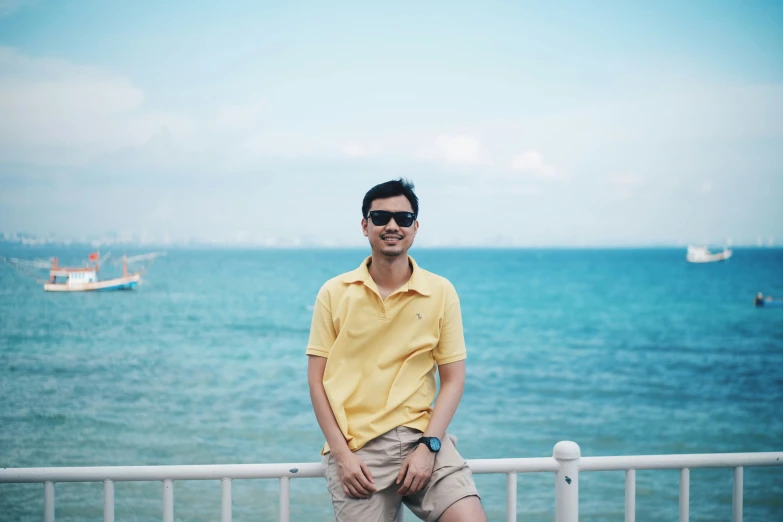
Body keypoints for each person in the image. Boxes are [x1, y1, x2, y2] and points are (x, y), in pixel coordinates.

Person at [306, 179, 486, 522]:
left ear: (415, 227)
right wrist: (342, 456)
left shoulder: (441, 291)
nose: (392, 226)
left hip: (423, 438)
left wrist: (429, 447)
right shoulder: (334, 292)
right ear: (365, 225)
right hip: (358, 451)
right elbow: (316, 382)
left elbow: (453, 379)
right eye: (380, 217)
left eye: (403, 218)